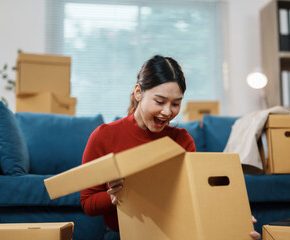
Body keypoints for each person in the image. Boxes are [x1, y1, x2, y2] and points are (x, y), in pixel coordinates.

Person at [80, 55, 261, 240]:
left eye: (176, 103)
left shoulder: (182, 140)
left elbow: (198, 198)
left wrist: (235, 222)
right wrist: (115, 196)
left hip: (174, 234)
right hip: (122, 234)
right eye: (159, 101)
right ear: (138, 92)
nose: (167, 112)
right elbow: (87, 202)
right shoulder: (104, 136)